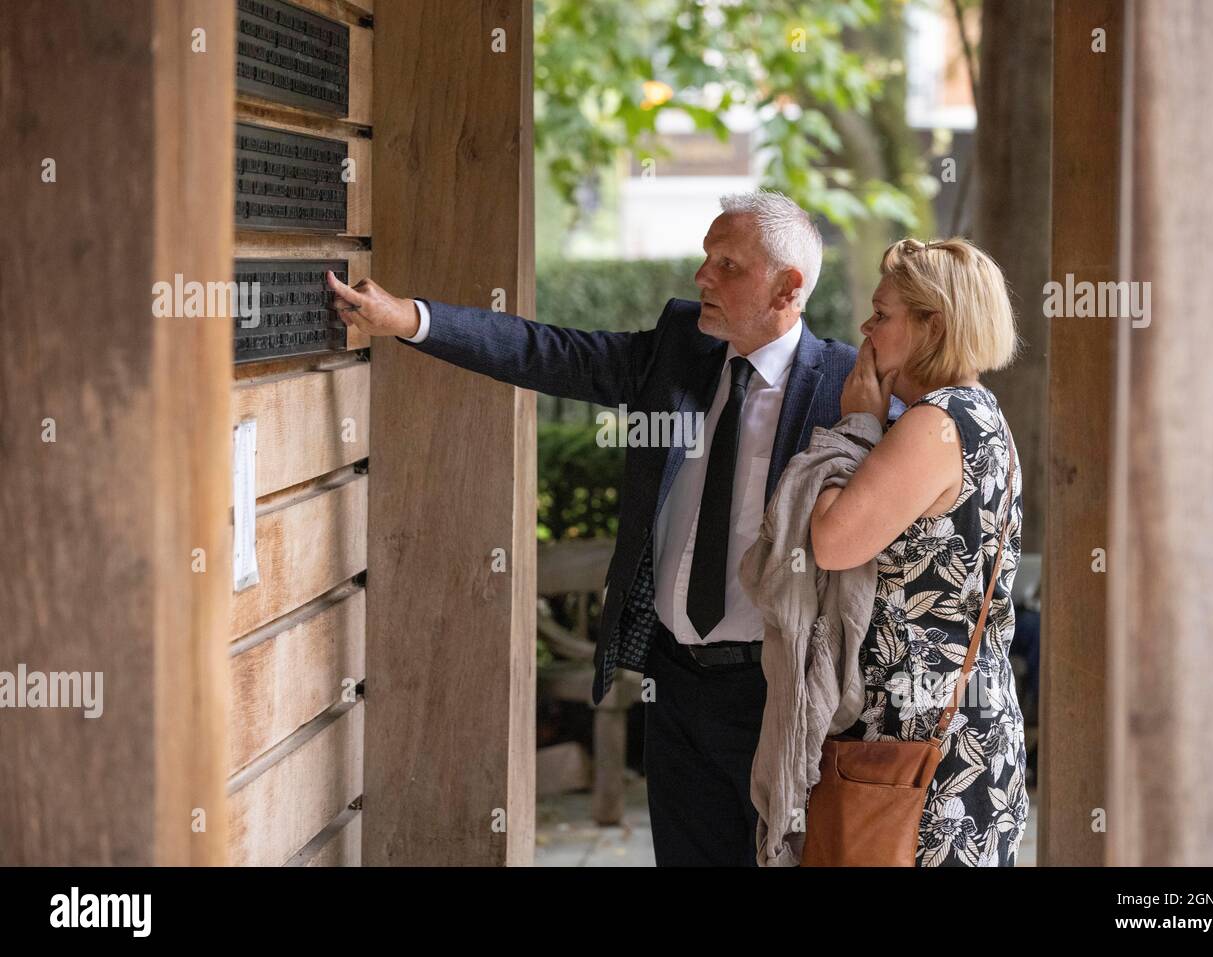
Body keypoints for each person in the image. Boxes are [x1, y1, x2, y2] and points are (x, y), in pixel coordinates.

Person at [324, 190, 891, 867]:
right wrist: (409, 318)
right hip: (675, 685)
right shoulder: (680, 352)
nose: (702, 276)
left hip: (779, 693)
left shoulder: (843, 387)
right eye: (706, 257)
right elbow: (550, 352)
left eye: (727, 264)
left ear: (787, 287)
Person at [809, 237, 1029, 866]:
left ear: (932, 324)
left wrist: (854, 429)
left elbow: (831, 541)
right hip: (964, 726)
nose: (866, 326)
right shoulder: (981, 414)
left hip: (920, 739)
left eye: (882, 314)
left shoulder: (932, 425)